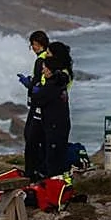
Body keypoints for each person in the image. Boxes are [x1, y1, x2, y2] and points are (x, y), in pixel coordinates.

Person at [29, 42, 73, 179]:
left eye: (45, 69)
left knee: (54, 159)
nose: (42, 71)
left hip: (54, 124)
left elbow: (38, 99)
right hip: (56, 122)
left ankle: (55, 187)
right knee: (52, 155)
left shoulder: (56, 83)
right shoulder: (56, 82)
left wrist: (34, 89)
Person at [18, 30, 50, 179]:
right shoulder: (48, 57)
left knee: (30, 137)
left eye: (35, 44)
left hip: (38, 105)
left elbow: (38, 82)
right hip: (45, 105)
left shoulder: (41, 60)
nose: (33, 47)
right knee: (41, 139)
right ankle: (42, 169)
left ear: (40, 44)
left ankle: (32, 173)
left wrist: (28, 83)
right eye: (32, 45)